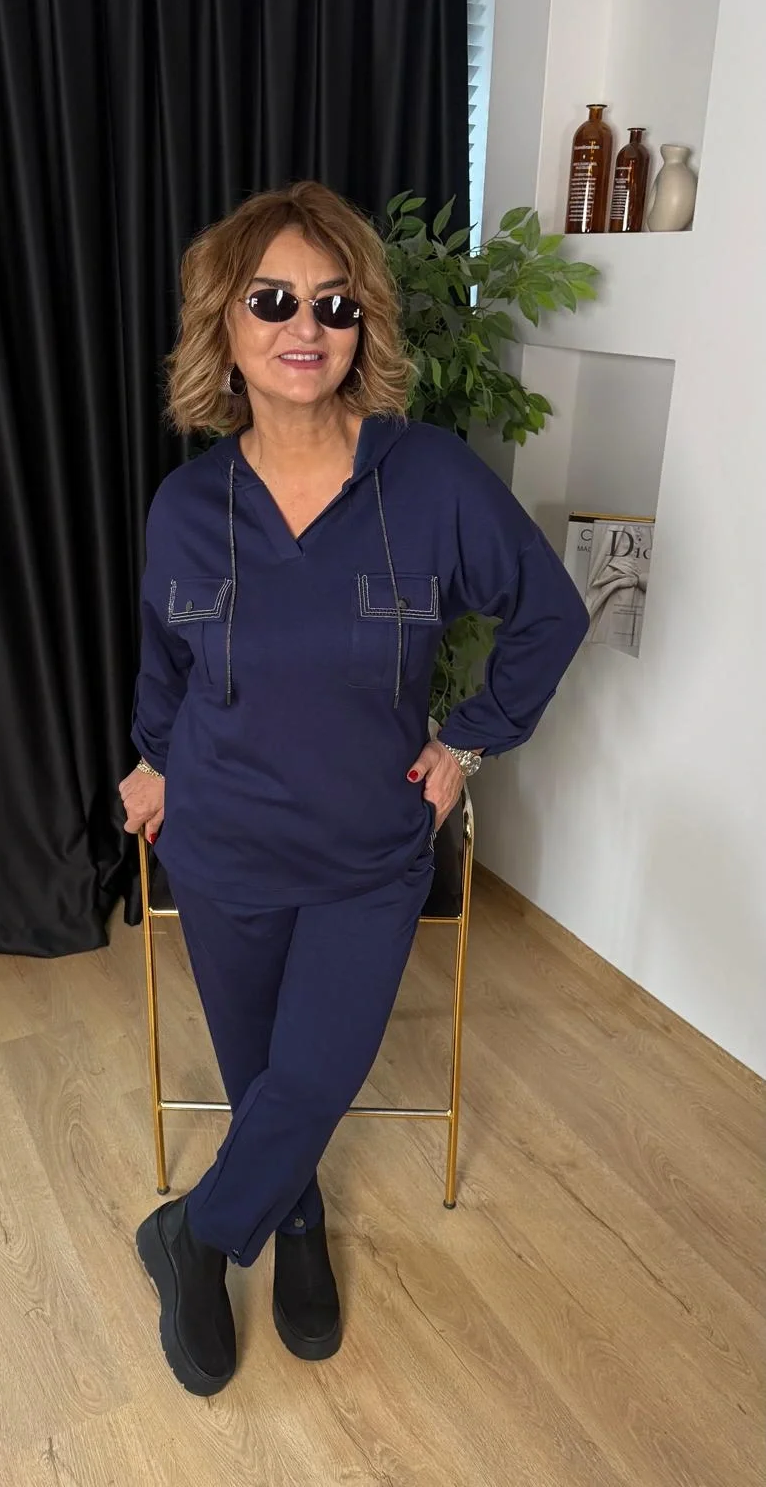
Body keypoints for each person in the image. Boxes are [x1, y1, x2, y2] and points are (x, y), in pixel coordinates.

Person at [119, 179, 589, 1397]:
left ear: (364, 324)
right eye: (273, 300)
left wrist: (467, 744)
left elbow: (549, 613)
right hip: (220, 845)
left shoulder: (430, 480)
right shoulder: (187, 507)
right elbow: (167, 664)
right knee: (264, 1077)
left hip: (368, 849)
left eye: (334, 303)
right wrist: (153, 757)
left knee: (318, 1070)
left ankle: (194, 1233)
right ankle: (295, 1216)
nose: (306, 326)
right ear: (225, 326)